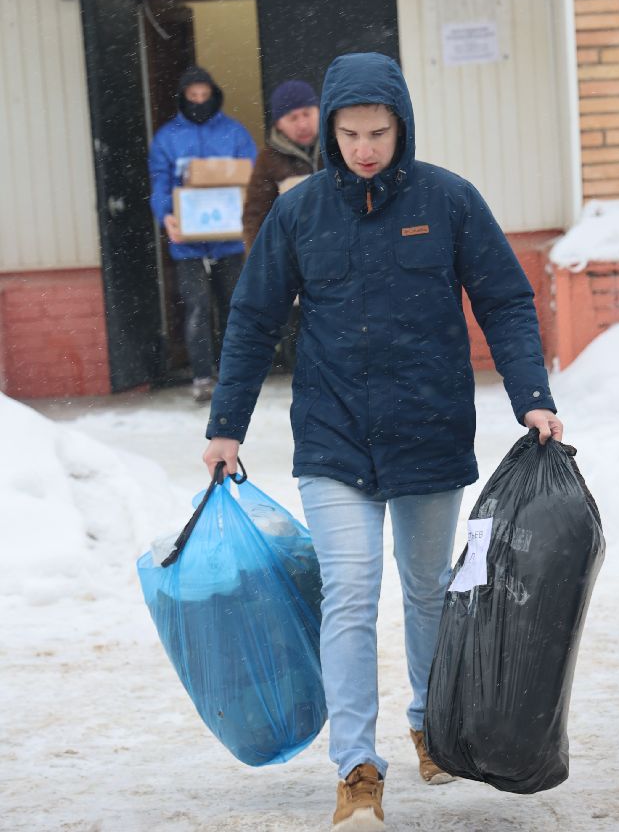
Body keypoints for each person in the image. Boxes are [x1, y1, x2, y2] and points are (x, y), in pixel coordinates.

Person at [203, 53, 562, 829]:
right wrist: (226, 425)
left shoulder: (449, 200)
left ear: (402, 127)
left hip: (429, 428)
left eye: (378, 132)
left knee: (430, 586)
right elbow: (254, 318)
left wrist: (532, 399)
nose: (364, 148)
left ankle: (433, 725)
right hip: (333, 436)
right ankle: (357, 766)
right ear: (329, 132)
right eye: (350, 134)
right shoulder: (300, 212)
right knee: (350, 591)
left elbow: (504, 299)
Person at [148, 66, 257, 402]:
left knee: (234, 307)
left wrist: (250, 216)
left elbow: (253, 180)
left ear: (214, 95)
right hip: (188, 245)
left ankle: (233, 374)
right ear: (183, 98)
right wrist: (166, 217)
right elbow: (159, 183)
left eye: (204, 95)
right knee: (197, 308)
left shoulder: (235, 133)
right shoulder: (167, 138)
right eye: (193, 96)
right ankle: (202, 378)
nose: (199, 101)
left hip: (229, 241)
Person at [242, 79, 323, 254]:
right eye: (292, 118)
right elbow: (255, 217)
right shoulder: (268, 160)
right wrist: (262, 260)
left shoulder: (338, 147)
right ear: (278, 124)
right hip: (294, 254)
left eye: (307, 114)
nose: (302, 124)